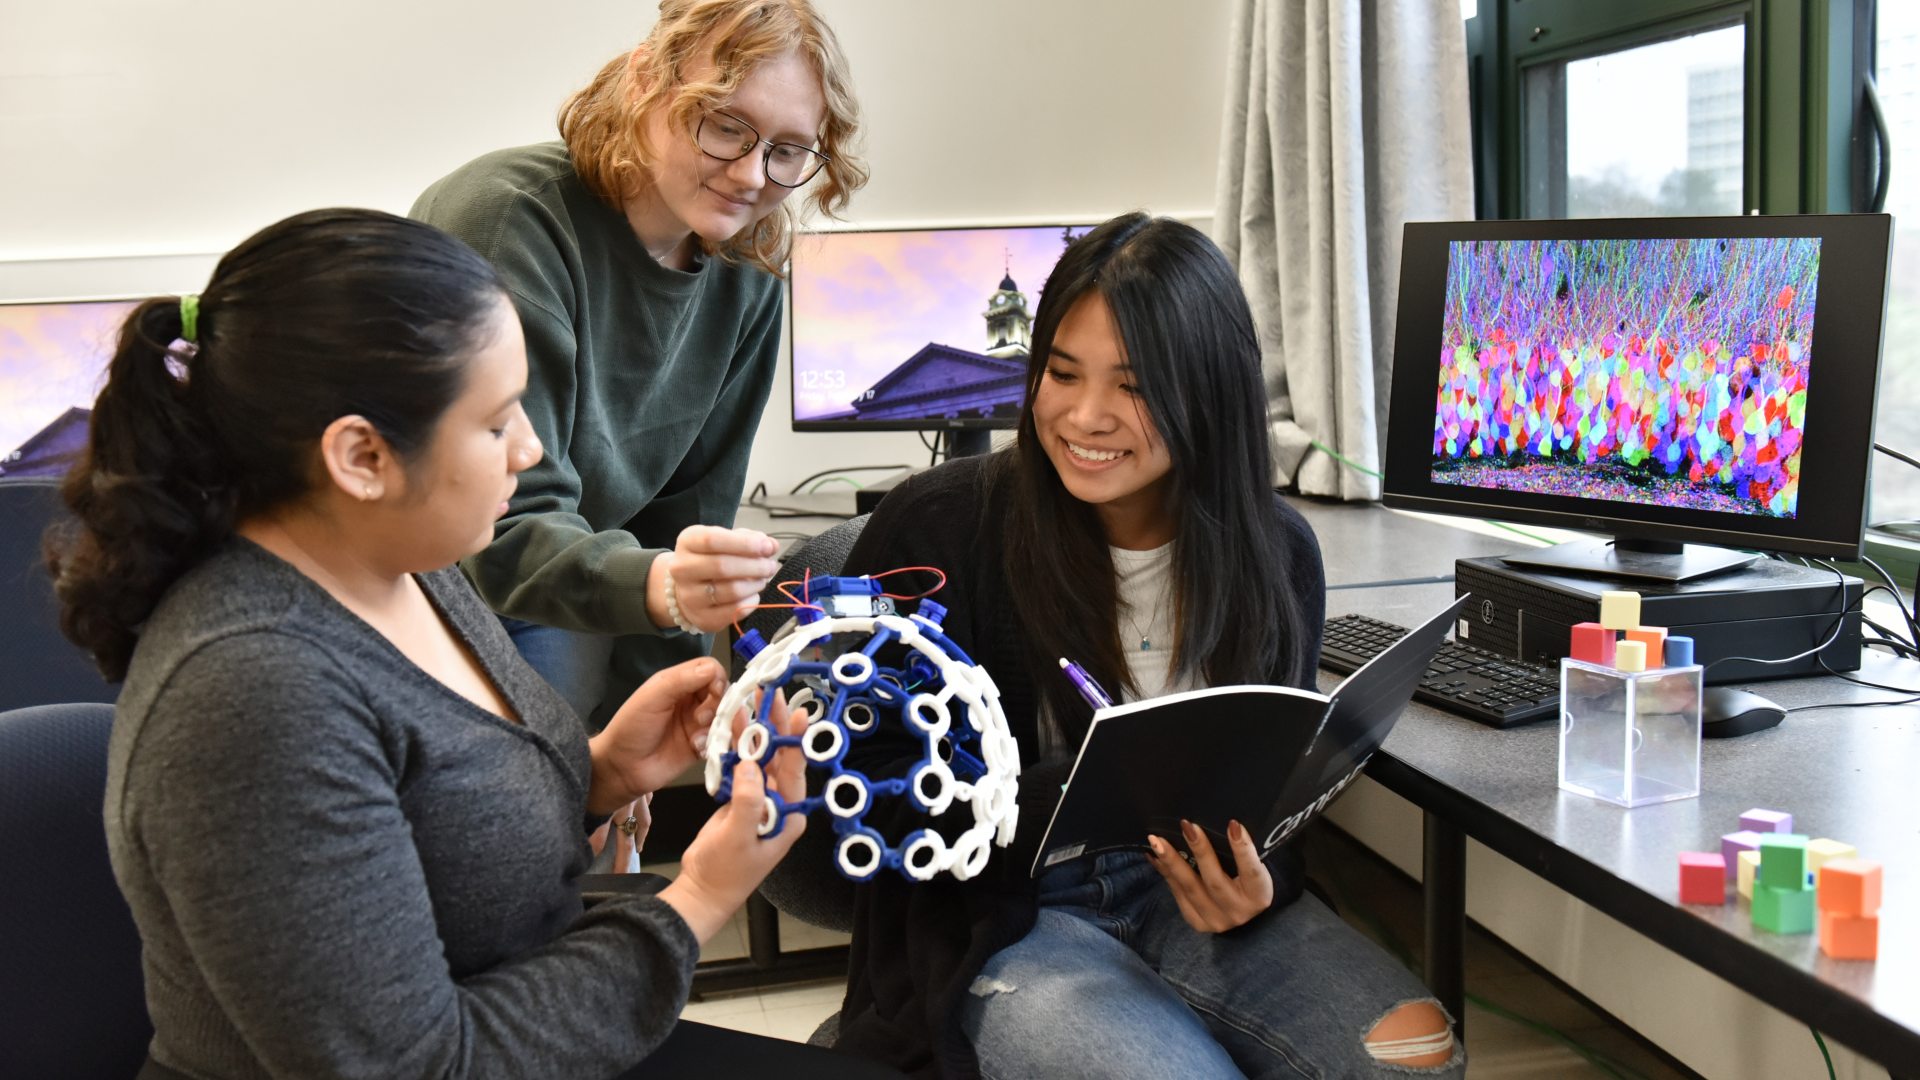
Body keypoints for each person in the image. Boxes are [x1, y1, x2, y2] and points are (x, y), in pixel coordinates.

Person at [45, 208, 817, 1078]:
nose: (529, 448)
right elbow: (413, 1067)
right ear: (362, 456)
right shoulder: (253, 693)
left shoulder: (407, 561)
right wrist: (702, 895)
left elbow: (430, 835)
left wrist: (601, 774)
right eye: (495, 424)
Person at [828, 214, 1466, 1079]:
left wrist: (1260, 877)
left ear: (1209, 391)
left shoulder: (1277, 553)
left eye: (1132, 385)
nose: (1085, 416)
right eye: (1060, 372)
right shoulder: (939, 526)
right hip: (1003, 917)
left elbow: (1276, 789)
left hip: (1195, 900)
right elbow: (869, 789)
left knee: (1415, 1059)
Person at [412, 0, 869, 729]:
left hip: (580, 573)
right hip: (446, 574)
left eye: (788, 150)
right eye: (724, 124)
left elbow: (693, 516)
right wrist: (663, 587)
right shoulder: (509, 221)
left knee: (608, 789)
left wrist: (657, 709)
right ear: (642, 82)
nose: (751, 174)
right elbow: (499, 520)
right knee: (543, 801)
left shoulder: (749, 264)